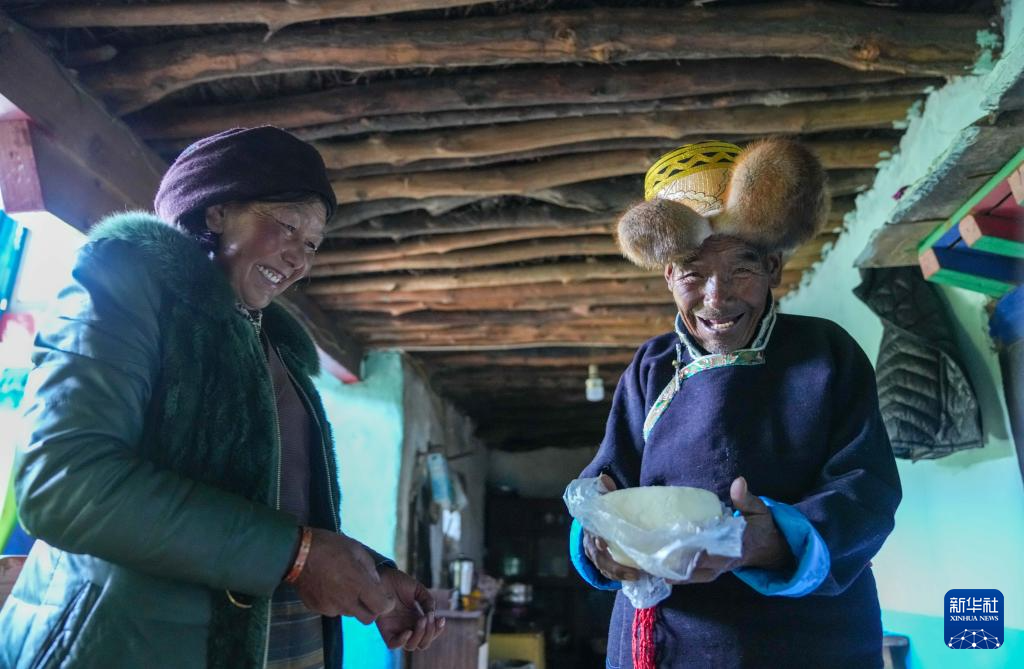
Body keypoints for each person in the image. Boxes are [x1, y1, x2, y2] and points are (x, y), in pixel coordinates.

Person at [0, 126, 443, 668]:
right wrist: (298, 556)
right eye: (287, 225)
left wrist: (369, 576)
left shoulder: (276, 350)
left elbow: (273, 509)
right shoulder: (125, 283)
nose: (299, 259)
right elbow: (62, 484)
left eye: (311, 244)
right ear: (215, 212)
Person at [567, 140, 902, 668]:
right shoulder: (651, 366)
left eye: (740, 270)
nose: (716, 297)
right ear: (669, 276)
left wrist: (771, 542)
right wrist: (599, 539)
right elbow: (608, 481)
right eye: (693, 273)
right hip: (666, 638)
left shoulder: (826, 354)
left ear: (774, 267)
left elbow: (866, 489)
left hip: (807, 639)